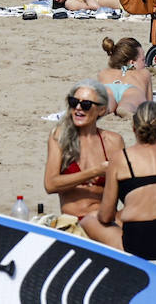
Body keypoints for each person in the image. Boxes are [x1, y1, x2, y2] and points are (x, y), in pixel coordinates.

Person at [95, 101, 156, 260]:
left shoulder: (121, 158)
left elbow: (106, 216)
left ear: (134, 127)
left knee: (90, 221)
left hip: (138, 247)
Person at [43, 80, 125, 244]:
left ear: (101, 110)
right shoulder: (59, 137)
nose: (78, 108)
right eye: (74, 102)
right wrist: (94, 172)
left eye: (86, 104)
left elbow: (126, 190)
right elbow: (50, 185)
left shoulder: (113, 141)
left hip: (108, 217)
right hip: (79, 222)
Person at [95, 37, 152, 118]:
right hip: (132, 90)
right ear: (132, 62)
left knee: (106, 102)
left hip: (109, 88)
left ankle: (104, 109)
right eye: (143, 60)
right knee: (130, 102)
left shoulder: (104, 73)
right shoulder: (144, 73)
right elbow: (149, 104)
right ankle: (125, 108)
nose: (145, 64)